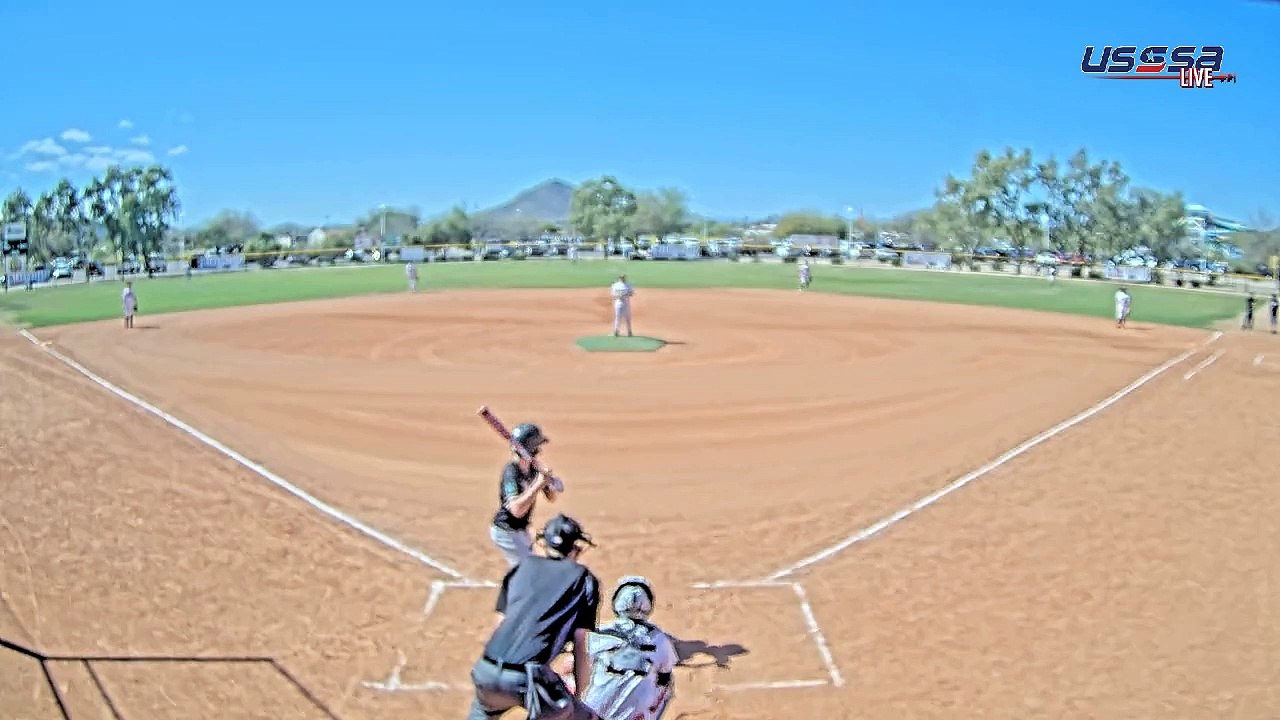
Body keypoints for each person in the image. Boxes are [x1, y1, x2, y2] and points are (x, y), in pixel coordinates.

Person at [468, 514, 602, 720]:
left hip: (486, 671)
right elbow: (581, 643)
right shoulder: (583, 579)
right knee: (578, 716)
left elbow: (499, 624)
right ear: (576, 547)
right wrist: (580, 695)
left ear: (544, 542)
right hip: (528, 678)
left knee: (483, 711)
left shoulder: (521, 567)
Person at [575, 577, 677, 720]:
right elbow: (665, 674)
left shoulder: (598, 634)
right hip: (632, 714)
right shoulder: (659, 638)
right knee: (666, 682)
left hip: (593, 710)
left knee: (574, 671)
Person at [490, 423, 559, 568]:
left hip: (521, 531)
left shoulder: (533, 469)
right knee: (526, 570)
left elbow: (552, 498)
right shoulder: (512, 472)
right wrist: (538, 484)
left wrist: (549, 485)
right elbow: (516, 510)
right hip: (506, 532)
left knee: (529, 568)